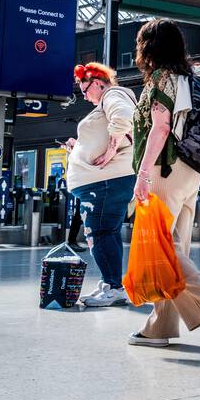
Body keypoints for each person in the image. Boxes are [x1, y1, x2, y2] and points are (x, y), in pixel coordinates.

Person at [128, 18, 200, 349]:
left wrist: (143, 174)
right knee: (175, 246)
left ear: (148, 47)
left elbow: (161, 128)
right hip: (192, 172)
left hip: (166, 170)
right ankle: (161, 324)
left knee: (159, 245)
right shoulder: (199, 74)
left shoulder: (163, 78)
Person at [63, 62, 136, 307]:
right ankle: (111, 283)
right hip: (106, 182)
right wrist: (78, 147)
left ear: (96, 83)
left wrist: (110, 151)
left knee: (100, 233)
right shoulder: (106, 102)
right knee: (108, 232)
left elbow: (124, 117)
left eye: (84, 90)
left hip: (106, 182)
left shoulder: (113, 95)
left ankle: (114, 287)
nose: (84, 96)